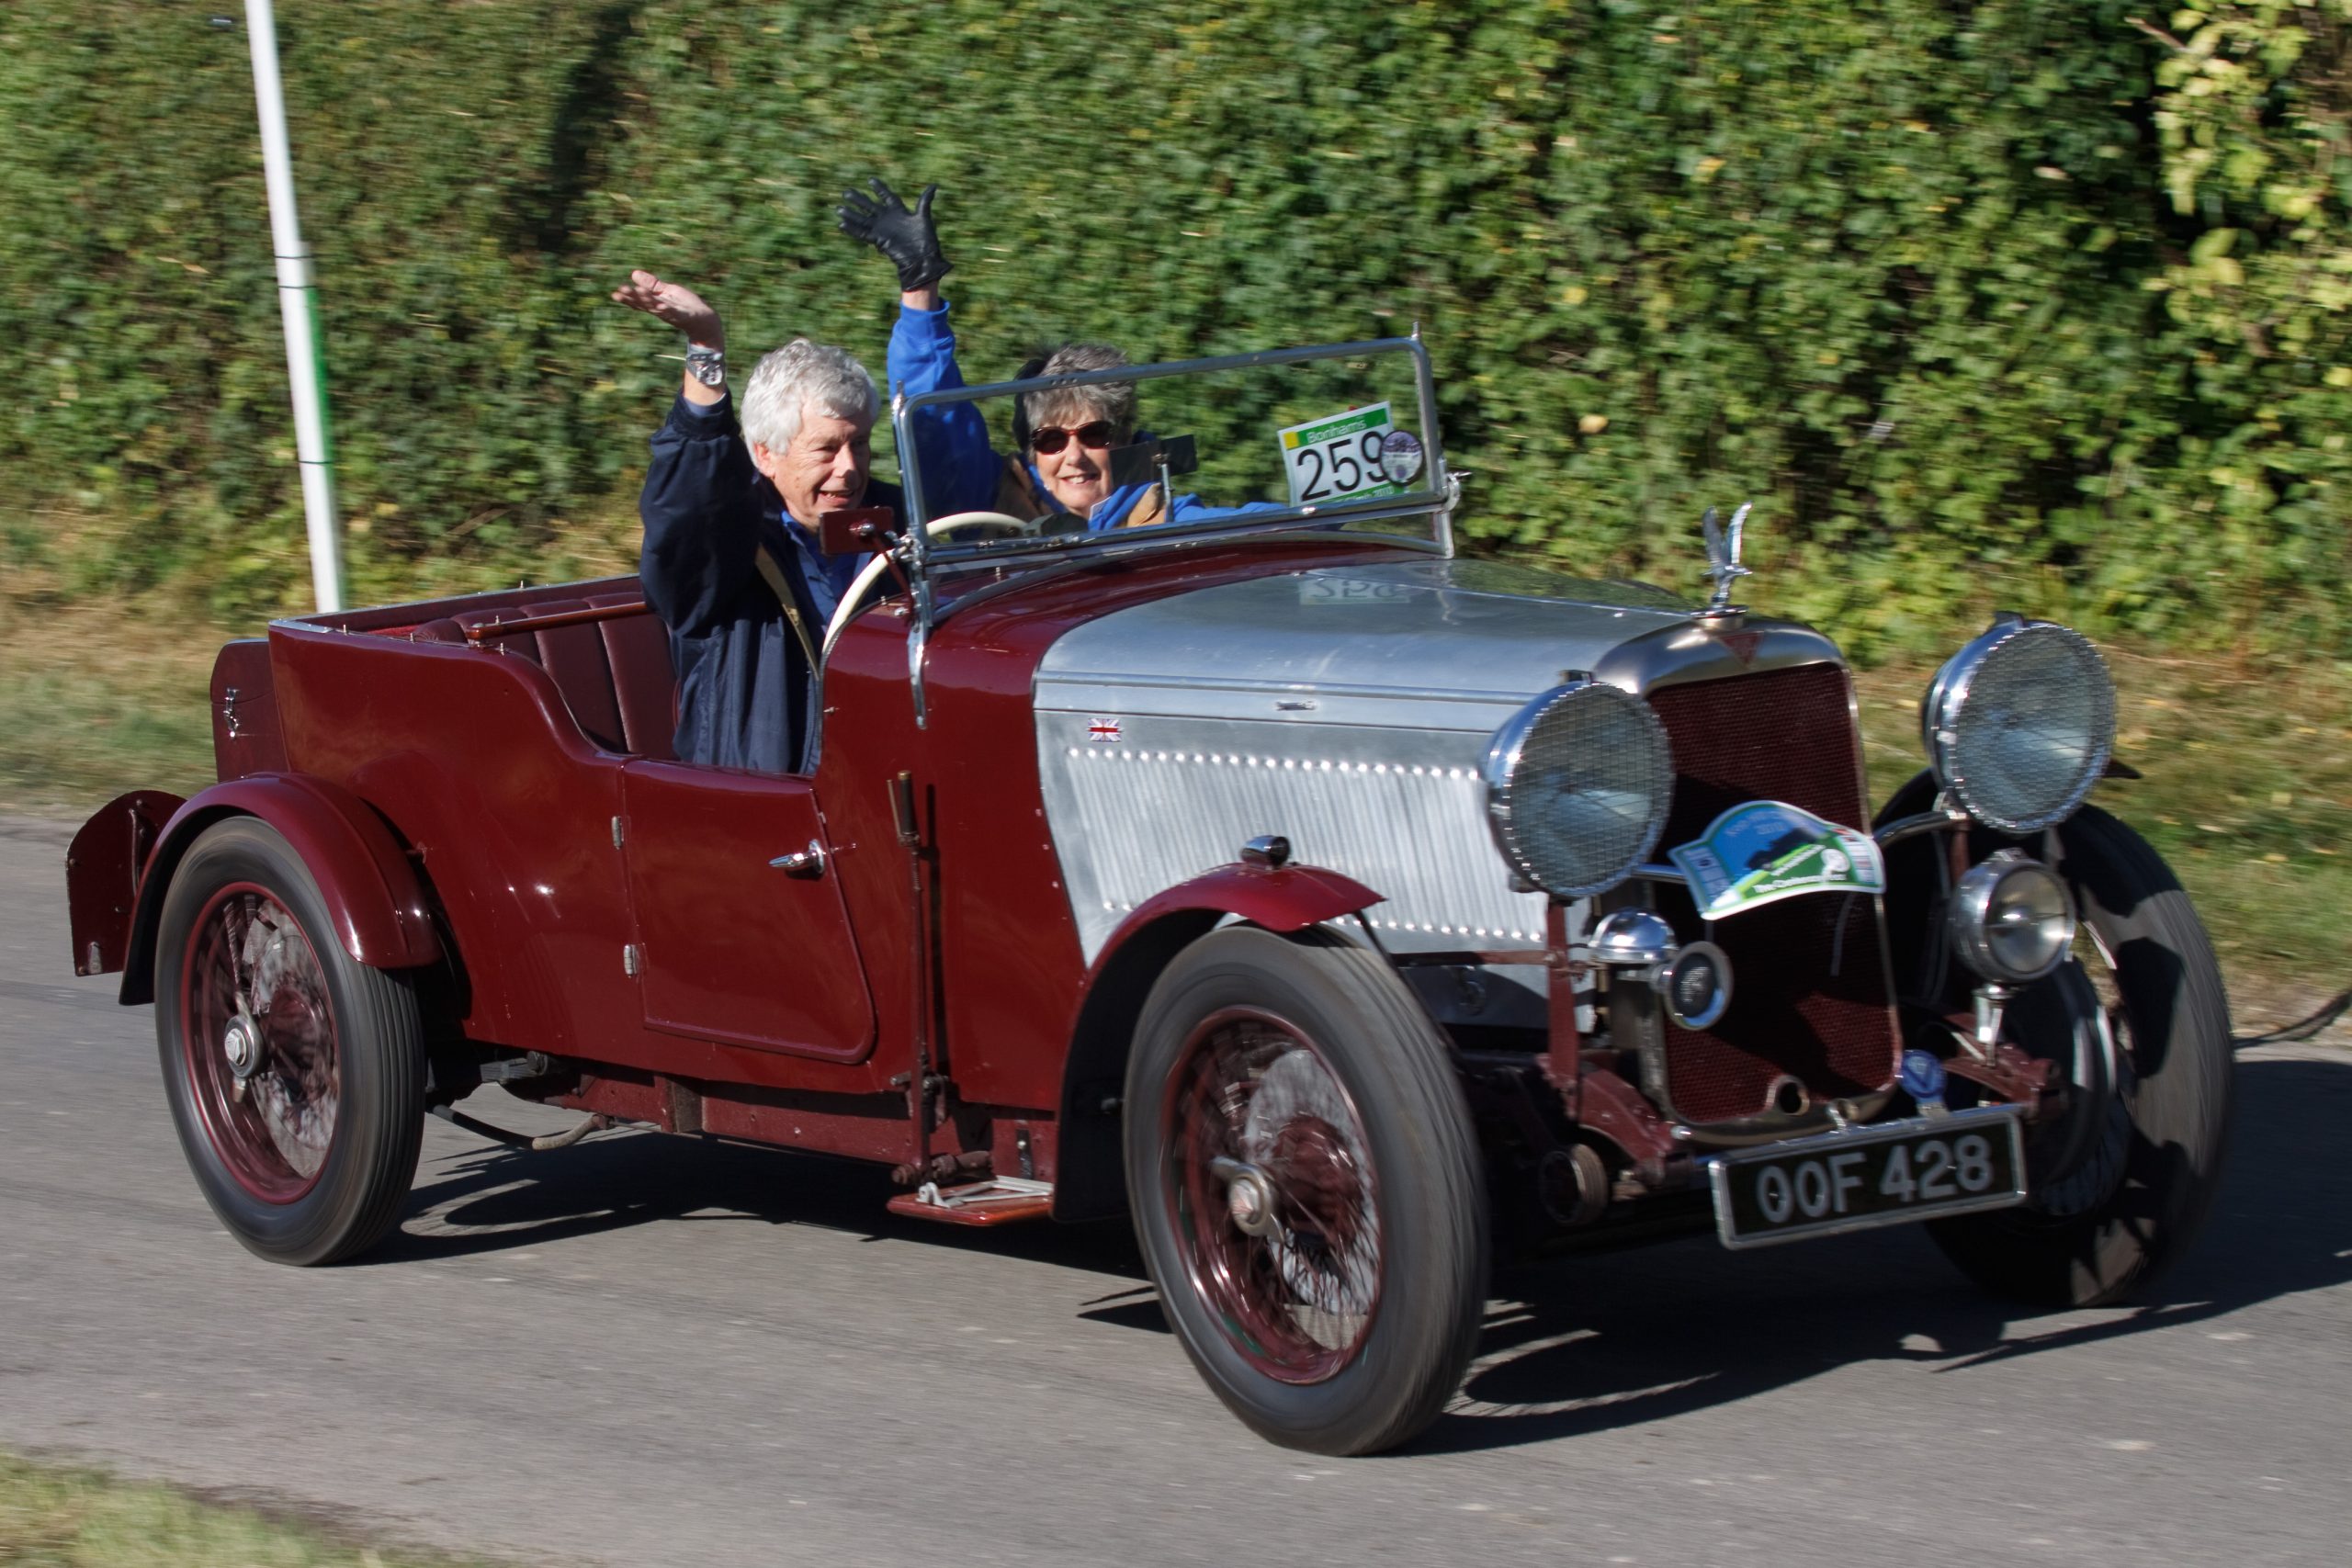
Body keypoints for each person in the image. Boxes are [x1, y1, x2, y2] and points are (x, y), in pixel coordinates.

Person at [837, 179, 1275, 531]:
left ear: (1124, 442)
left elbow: (1263, 528)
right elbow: (934, 421)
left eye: (1094, 435)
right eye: (1050, 440)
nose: (1074, 456)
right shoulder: (992, 505)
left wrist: (1335, 506)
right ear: (1030, 452)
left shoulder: (1166, 521)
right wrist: (919, 288)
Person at [611, 270, 892, 773]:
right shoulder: (730, 547)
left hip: (888, 787)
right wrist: (706, 347)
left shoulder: (897, 527)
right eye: (826, 449)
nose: (849, 468)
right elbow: (691, 507)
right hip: (768, 801)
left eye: (861, 444)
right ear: (765, 453)